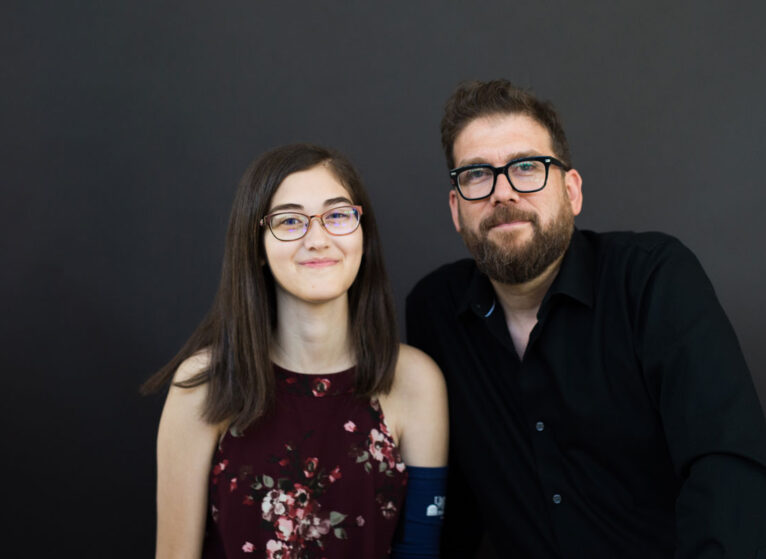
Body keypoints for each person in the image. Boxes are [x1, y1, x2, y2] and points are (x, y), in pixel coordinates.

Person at [406, 80, 766, 558]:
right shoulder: (435, 312)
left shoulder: (652, 279)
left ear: (571, 191)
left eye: (527, 167)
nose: (503, 192)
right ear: (456, 208)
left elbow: (726, 468)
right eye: (476, 175)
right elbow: (451, 509)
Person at [144, 143, 448, 558]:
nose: (318, 239)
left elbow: (420, 552)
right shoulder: (204, 384)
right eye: (290, 222)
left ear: (363, 233)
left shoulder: (415, 382)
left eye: (337, 215)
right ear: (258, 247)